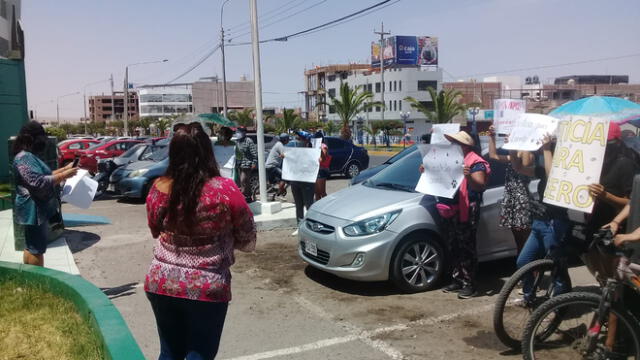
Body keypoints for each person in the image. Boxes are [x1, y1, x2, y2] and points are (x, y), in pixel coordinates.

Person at [144, 120, 256, 359]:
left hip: (161, 281)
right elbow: (246, 231)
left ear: (173, 153)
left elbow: (155, 229)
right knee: (200, 353)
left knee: (169, 353)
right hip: (207, 285)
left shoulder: (159, 187)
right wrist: (224, 239)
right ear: (208, 152)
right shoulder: (224, 189)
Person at [428, 131, 490, 299]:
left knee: (466, 246)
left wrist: (468, 176)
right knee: (453, 244)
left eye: (456, 143)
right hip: (451, 208)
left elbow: (480, 185)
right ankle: (457, 279)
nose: (453, 146)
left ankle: (470, 283)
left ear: (466, 146)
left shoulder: (476, 162)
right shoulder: (450, 160)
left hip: (467, 209)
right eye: (452, 143)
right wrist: (426, 170)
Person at [514, 134, 572, 305]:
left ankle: (559, 306)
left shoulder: (563, 170)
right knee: (523, 261)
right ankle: (528, 296)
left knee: (557, 268)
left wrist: (547, 148)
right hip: (540, 222)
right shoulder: (542, 167)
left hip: (555, 222)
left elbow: (553, 177)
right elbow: (519, 167)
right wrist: (514, 144)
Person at [12, 121, 78, 266]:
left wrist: (64, 170)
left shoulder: (28, 156)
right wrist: (64, 175)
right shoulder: (24, 158)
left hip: (33, 208)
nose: (43, 141)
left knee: (31, 246)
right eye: (41, 137)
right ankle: (36, 283)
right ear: (31, 138)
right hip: (33, 210)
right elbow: (38, 182)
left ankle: (30, 280)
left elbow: (43, 175)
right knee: (37, 248)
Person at [585, 122, 636, 243]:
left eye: (608, 145)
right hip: (594, 221)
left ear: (618, 143)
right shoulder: (595, 162)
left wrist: (605, 196)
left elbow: (632, 203)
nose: (604, 149)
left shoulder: (625, 164)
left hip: (613, 227)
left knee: (608, 260)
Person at [488, 125, 533, 253]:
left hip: (522, 200)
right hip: (511, 199)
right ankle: (524, 269)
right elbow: (493, 156)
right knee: (518, 240)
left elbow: (522, 165)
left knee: (526, 238)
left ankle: (533, 268)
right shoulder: (513, 154)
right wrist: (491, 137)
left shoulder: (527, 153)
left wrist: (513, 145)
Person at [288, 131, 316, 229]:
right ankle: (300, 226)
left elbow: (316, 163)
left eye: (301, 138)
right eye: (298, 138)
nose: (298, 140)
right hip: (295, 181)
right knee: (299, 205)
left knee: (308, 205)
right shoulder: (292, 147)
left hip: (307, 182)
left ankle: (310, 226)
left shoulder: (313, 150)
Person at [234, 126, 258, 201]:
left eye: (239, 132)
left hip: (247, 164)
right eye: (237, 131)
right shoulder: (237, 141)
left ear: (244, 133)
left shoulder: (248, 141)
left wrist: (254, 163)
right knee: (245, 182)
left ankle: (243, 196)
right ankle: (248, 196)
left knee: (243, 180)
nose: (238, 133)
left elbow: (254, 153)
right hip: (239, 164)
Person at [265, 133, 290, 197]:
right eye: (288, 139)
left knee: (277, 180)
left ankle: (277, 191)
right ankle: (280, 191)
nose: (288, 141)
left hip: (269, 166)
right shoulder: (280, 145)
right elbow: (284, 155)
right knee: (285, 177)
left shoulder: (278, 144)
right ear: (285, 140)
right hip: (272, 166)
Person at [315, 133, 331, 201]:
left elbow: (323, 158)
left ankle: (326, 205)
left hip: (321, 170)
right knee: (317, 193)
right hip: (315, 170)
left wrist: (320, 149)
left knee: (322, 192)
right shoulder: (314, 145)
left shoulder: (323, 146)